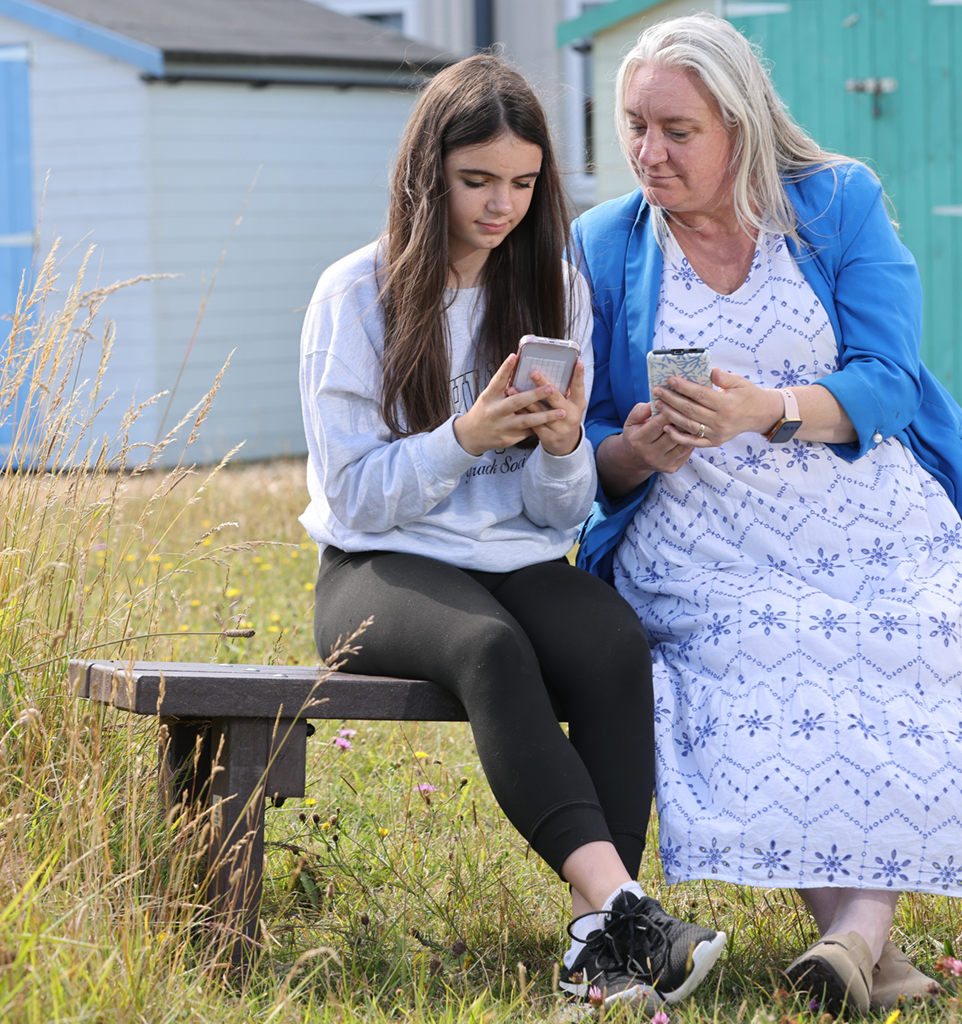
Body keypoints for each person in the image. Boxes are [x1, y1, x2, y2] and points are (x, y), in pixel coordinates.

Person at [572, 15, 962, 1016]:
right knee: (767, 641)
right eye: (633, 126)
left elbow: (889, 381)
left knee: (892, 636)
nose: (648, 152)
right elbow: (582, 440)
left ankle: (858, 937)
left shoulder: (836, 201)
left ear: (740, 125)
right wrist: (640, 446)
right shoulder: (603, 243)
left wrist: (767, 410)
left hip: (855, 503)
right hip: (696, 525)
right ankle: (862, 944)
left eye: (676, 129)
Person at [299, 54, 726, 1007]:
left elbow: (556, 514)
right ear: (429, 175)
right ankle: (626, 911)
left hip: (515, 558)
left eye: (524, 183)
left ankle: (605, 952)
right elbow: (357, 499)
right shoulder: (354, 296)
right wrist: (461, 438)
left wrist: (568, 446)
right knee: (490, 648)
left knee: (615, 639)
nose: (501, 206)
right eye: (477, 181)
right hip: (378, 568)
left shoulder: (549, 290)